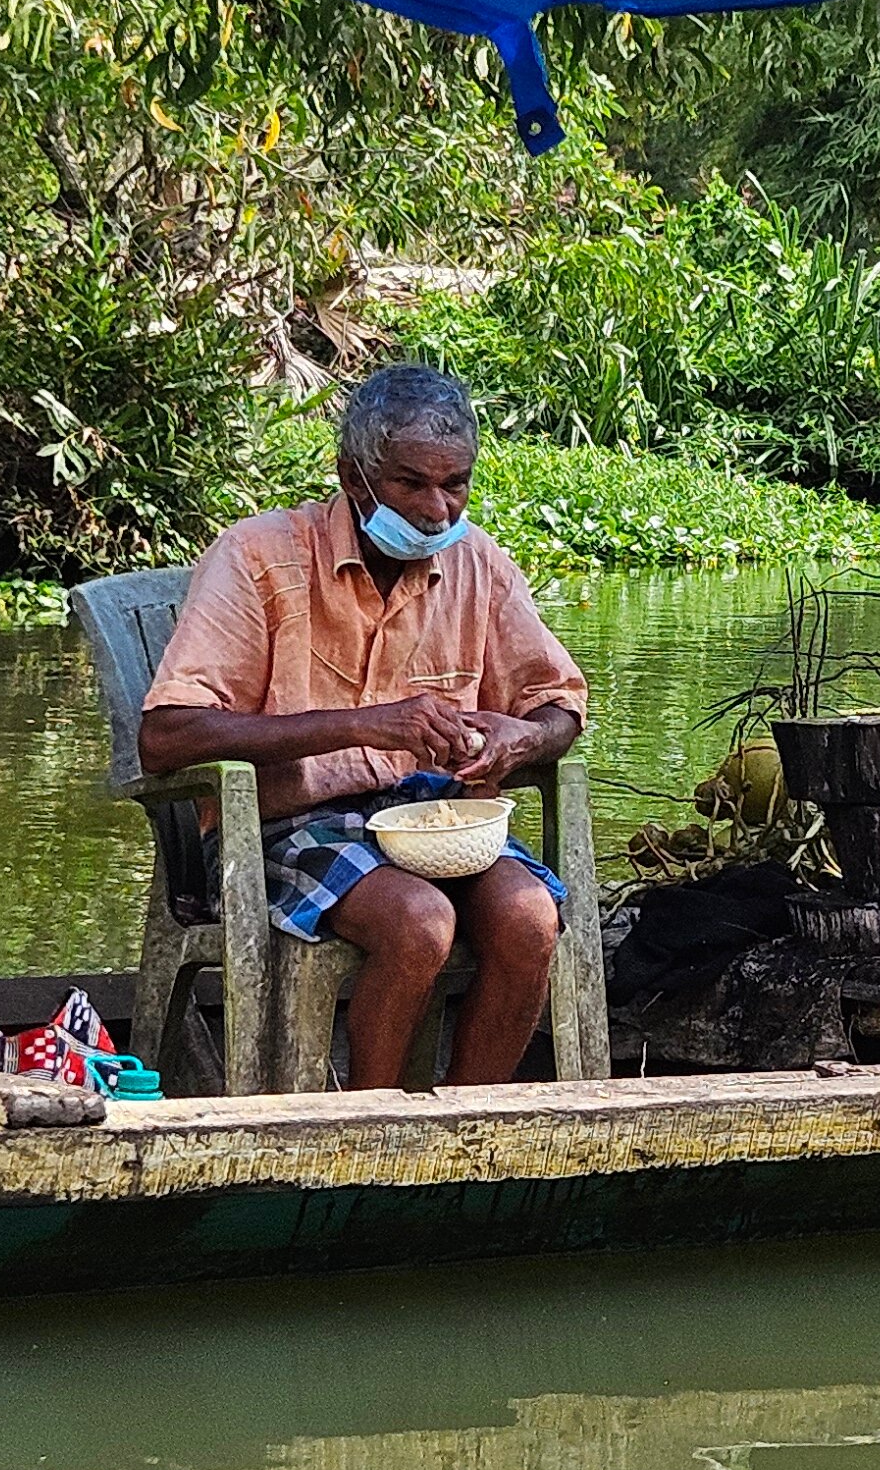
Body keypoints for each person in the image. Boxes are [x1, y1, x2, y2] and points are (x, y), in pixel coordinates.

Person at [139, 365, 587, 1089]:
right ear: (354, 475)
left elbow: (558, 702)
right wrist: (363, 725)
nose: (439, 511)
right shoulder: (258, 556)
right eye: (411, 484)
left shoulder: (481, 565)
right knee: (419, 923)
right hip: (283, 823)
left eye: (457, 484)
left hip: (433, 820)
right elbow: (166, 737)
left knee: (530, 919)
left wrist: (524, 738)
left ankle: (468, 1131)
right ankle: (374, 1126)